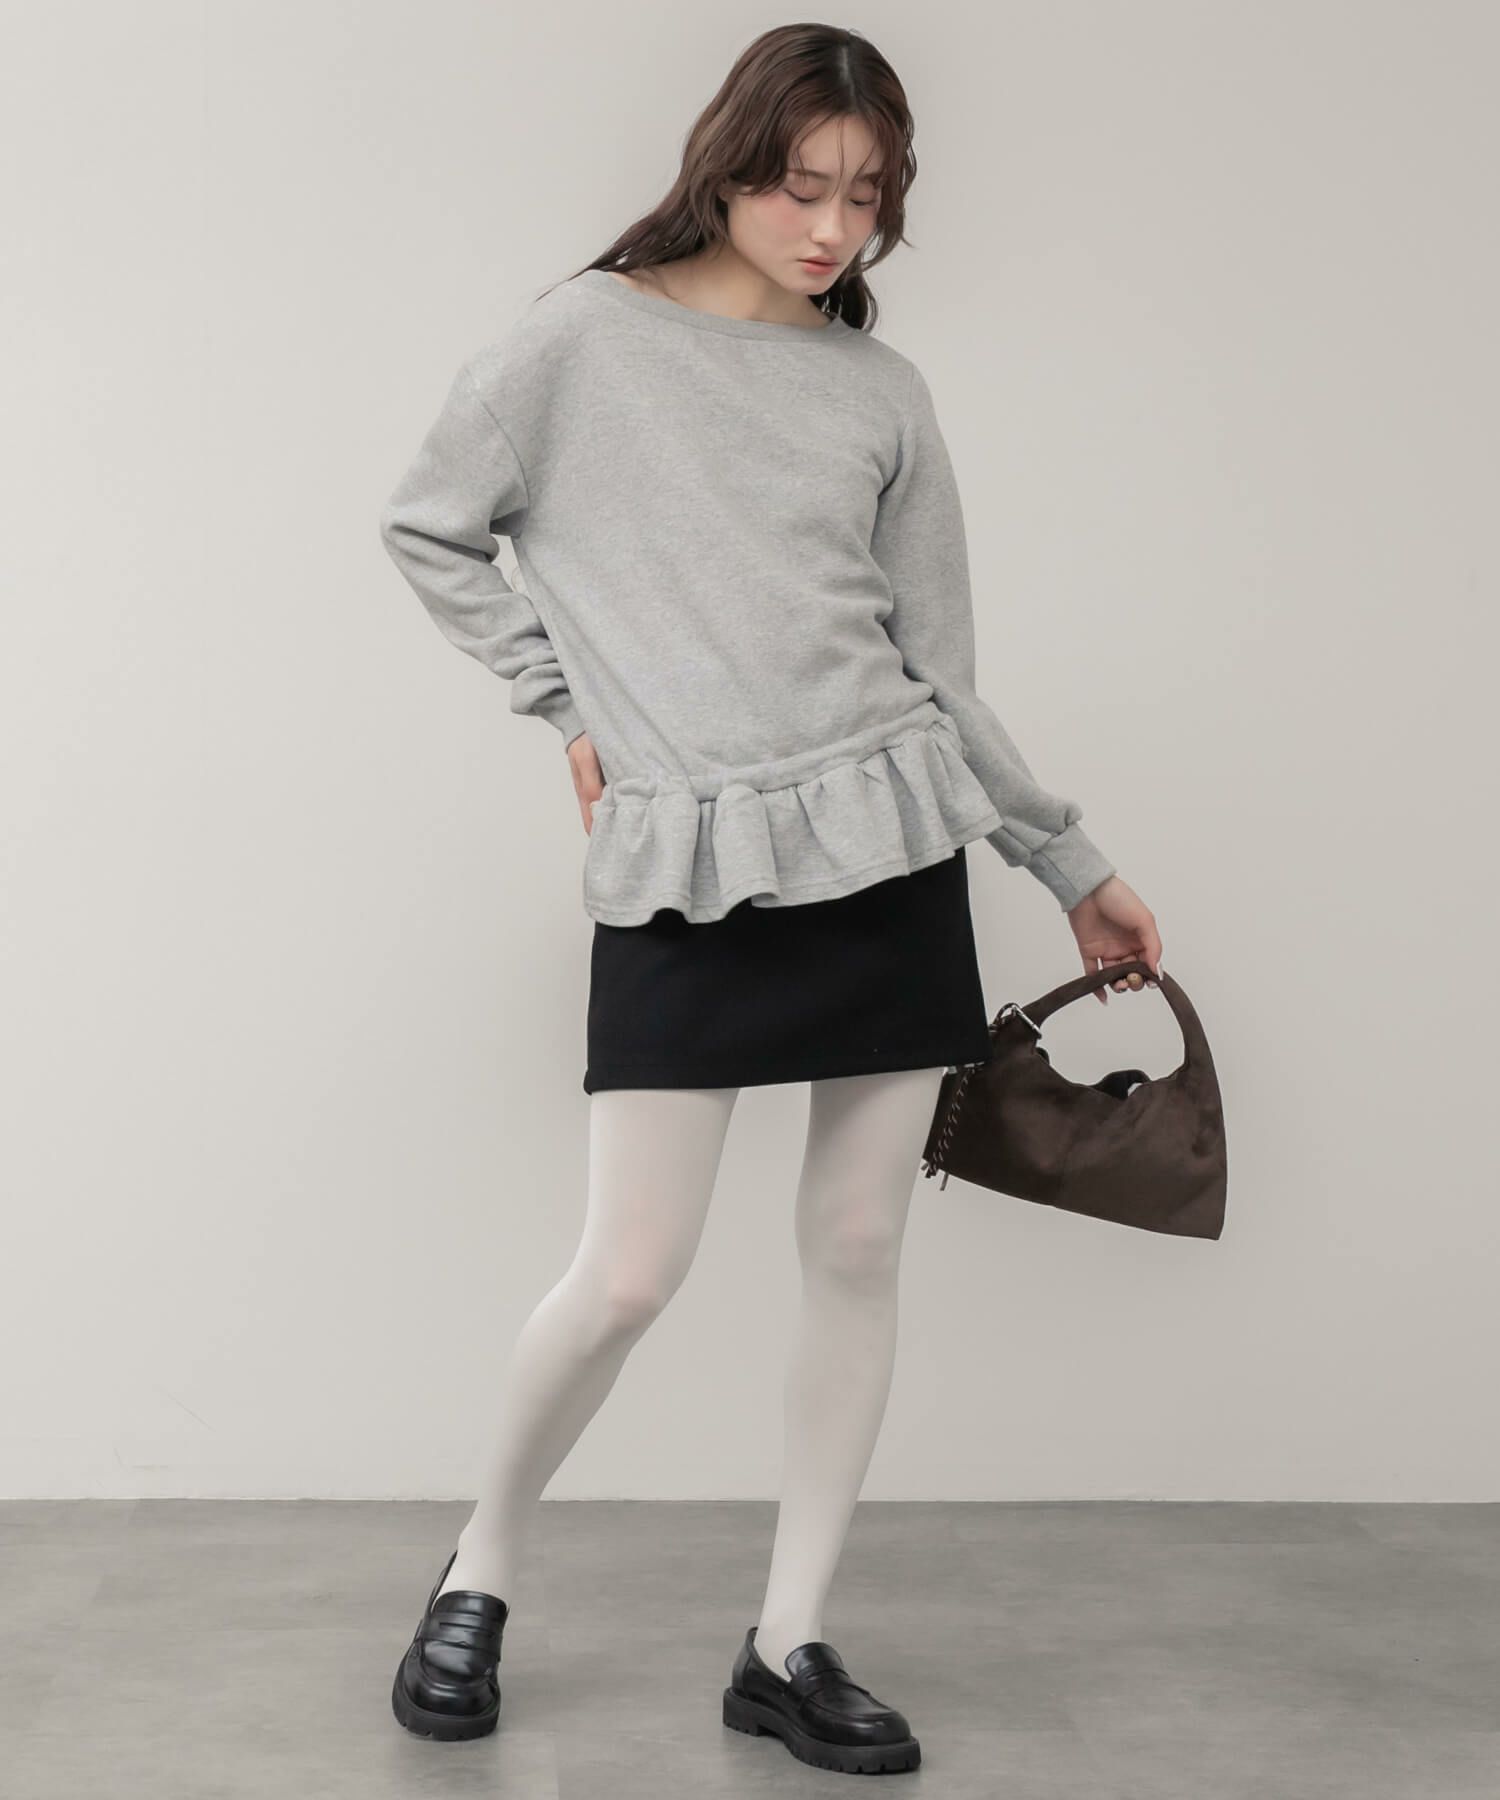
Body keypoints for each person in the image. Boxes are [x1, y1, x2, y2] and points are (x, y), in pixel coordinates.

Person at [377, 21, 1162, 1776]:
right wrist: (567, 708)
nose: (830, 228)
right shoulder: (581, 342)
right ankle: (479, 1566)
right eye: (802, 186)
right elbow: (431, 523)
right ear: (726, 166)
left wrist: (1070, 865)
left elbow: (938, 673)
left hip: (892, 850)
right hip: (689, 861)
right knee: (631, 1270)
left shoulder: (881, 393)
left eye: (865, 198)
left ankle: (790, 1638)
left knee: (859, 1248)